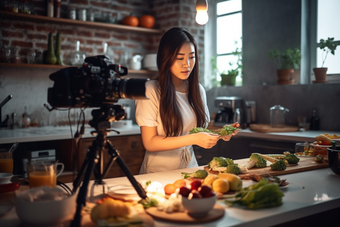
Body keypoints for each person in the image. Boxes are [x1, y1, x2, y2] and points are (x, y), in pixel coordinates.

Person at [135, 27, 239, 174]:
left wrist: (221, 132)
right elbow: (150, 142)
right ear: (166, 58)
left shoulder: (198, 90)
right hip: (158, 172)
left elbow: (197, 130)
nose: (187, 64)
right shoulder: (151, 89)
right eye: (179, 58)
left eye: (191, 57)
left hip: (190, 168)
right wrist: (194, 139)